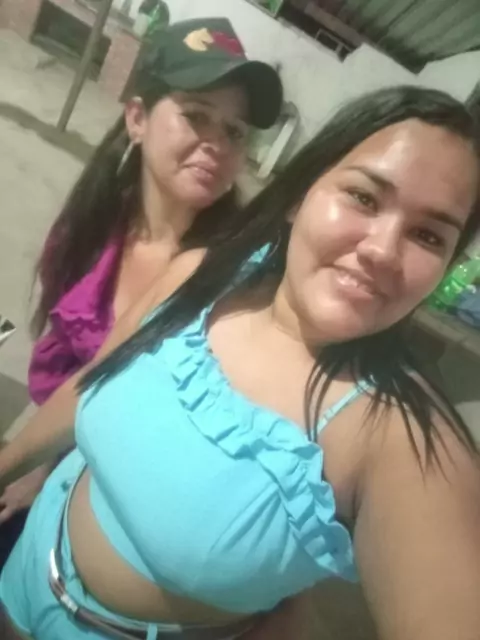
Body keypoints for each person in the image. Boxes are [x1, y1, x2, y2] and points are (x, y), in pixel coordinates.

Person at [1, 85, 480, 640]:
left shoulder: (400, 439)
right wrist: (10, 464)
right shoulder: (204, 276)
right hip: (26, 566)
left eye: (427, 235)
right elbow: (92, 381)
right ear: (301, 195)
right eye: (364, 198)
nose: (381, 249)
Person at [0, 17, 282, 565]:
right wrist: (34, 459)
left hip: (130, 506)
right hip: (46, 441)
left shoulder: (237, 278)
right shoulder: (90, 226)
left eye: (235, 132)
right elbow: (62, 364)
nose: (217, 144)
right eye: (196, 115)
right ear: (137, 118)